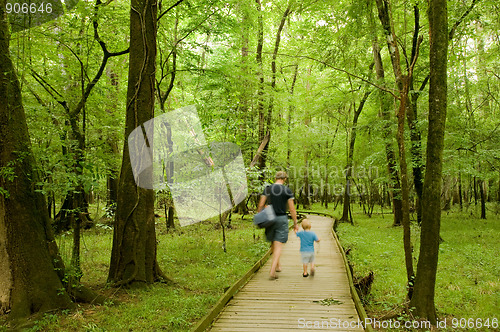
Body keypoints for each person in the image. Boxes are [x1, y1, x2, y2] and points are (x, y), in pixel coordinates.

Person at [257, 171, 299, 280]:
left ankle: (278, 265)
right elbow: (292, 209)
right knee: (278, 245)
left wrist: (260, 217)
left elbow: (261, 204)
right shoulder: (287, 190)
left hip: (269, 218)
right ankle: (272, 271)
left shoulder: (267, 189)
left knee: (273, 242)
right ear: (284, 179)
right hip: (281, 218)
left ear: (275, 178)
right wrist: (295, 223)